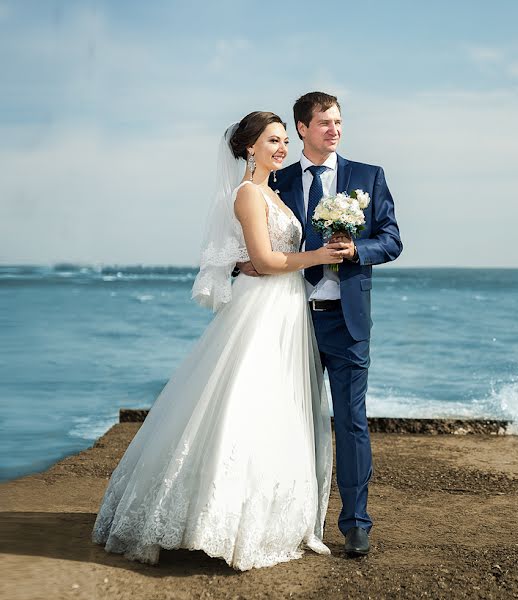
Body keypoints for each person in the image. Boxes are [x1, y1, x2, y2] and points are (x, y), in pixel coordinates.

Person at [92, 112, 344, 571]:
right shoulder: (248, 194)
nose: (282, 147)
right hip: (261, 308)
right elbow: (265, 261)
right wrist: (320, 255)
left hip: (287, 309)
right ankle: (216, 522)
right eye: (273, 140)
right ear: (250, 147)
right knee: (242, 401)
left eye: (285, 140)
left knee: (281, 406)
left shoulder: (275, 194)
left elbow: (257, 258)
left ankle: (275, 519)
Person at [237, 92, 402, 556]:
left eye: (339, 121)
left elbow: (392, 240)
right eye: (324, 122)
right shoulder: (277, 179)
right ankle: (284, 517)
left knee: (351, 422)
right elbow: (252, 235)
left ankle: (355, 524)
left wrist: (358, 251)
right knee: (287, 421)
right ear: (302, 128)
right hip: (290, 320)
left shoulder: (369, 177)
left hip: (347, 320)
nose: (334, 129)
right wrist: (244, 263)